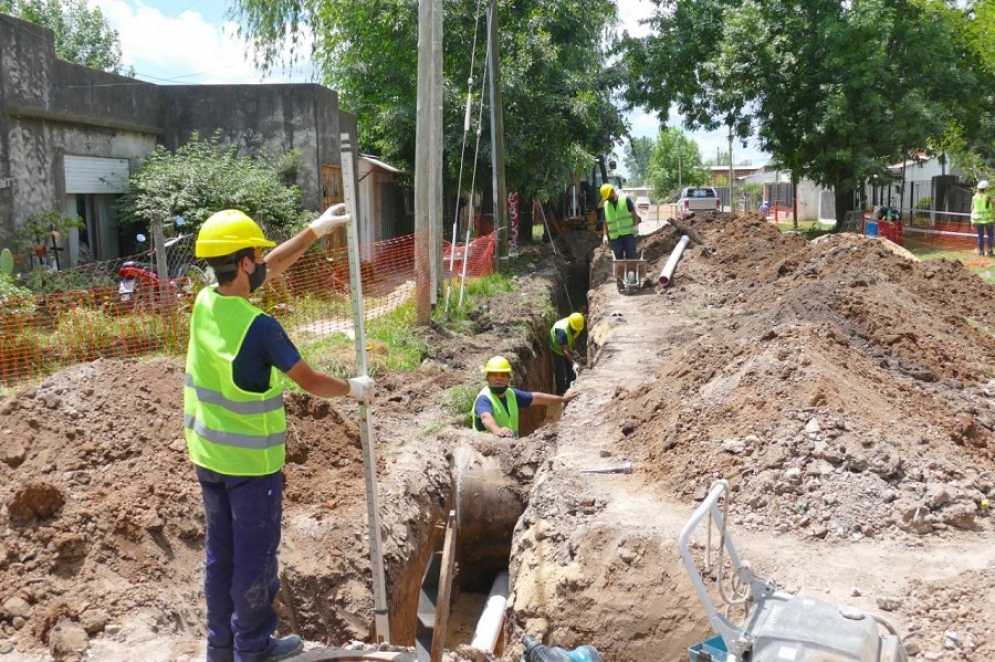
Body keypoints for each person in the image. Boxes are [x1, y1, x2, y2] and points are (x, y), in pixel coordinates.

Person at [184, 205, 375, 662]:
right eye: (256, 255)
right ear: (245, 262)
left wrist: (316, 230)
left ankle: (222, 649)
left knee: (221, 557)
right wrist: (354, 388)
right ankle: (252, 649)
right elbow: (309, 380)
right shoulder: (261, 328)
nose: (263, 262)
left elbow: (274, 266)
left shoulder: (206, 302)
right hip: (251, 468)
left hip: (208, 457)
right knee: (255, 561)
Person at [472, 356, 577, 438]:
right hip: (486, 457)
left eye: (503, 375)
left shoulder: (511, 394)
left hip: (510, 450)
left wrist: (563, 399)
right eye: (494, 375)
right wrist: (496, 430)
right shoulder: (484, 398)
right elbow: (485, 418)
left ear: (508, 378)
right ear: (487, 378)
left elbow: (536, 398)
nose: (499, 379)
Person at [599, 184, 641, 283]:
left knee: (631, 256)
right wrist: (605, 234)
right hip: (615, 237)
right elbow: (605, 222)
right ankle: (621, 278)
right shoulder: (606, 205)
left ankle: (632, 277)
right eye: (606, 197)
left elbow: (634, 214)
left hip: (628, 234)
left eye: (609, 196)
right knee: (619, 258)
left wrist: (635, 226)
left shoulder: (625, 199)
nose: (608, 199)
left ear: (612, 191)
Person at [549, 313, 584, 395]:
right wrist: (574, 362)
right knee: (560, 371)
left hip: (566, 346)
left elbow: (573, 337)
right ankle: (561, 393)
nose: (577, 330)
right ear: (571, 324)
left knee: (571, 370)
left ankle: (570, 385)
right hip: (557, 348)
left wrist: (573, 350)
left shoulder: (577, 324)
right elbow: (565, 350)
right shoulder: (562, 331)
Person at [970, 180, 994, 257]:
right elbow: (992, 206)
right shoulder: (988, 197)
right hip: (988, 219)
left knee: (980, 235)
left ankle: (981, 252)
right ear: (986, 188)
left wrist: (972, 221)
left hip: (978, 220)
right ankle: (990, 251)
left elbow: (972, 209)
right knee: (990, 235)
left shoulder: (974, 197)